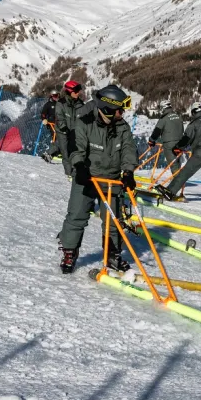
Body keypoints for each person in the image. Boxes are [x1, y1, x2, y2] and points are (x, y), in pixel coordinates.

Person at [57, 86, 139, 275]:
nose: (123, 113)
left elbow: (128, 149)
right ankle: (69, 252)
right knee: (77, 216)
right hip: (87, 177)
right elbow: (76, 147)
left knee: (113, 220)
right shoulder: (85, 123)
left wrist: (128, 172)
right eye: (120, 109)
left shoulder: (122, 127)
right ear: (108, 109)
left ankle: (112, 255)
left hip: (111, 179)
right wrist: (80, 166)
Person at [154, 101, 201, 209]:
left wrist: (177, 148)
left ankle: (170, 192)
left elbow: (186, 139)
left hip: (199, 152)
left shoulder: (194, 123)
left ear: (194, 111)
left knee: (185, 173)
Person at [55, 80, 87, 179]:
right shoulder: (61, 103)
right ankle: (69, 173)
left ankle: (76, 171)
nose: (78, 93)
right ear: (70, 92)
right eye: (76, 92)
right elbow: (59, 117)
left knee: (76, 151)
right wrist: (64, 128)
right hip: (63, 132)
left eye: (79, 91)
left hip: (75, 132)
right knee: (65, 152)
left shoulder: (80, 104)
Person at [148, 99, 184, 169]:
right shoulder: (178, 116)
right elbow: (182, 129)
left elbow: (157, 131)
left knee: (174, 165)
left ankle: (178, 179)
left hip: (169, 144)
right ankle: (180, 178)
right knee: (178, 163)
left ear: (163, 108)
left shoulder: (164, 119)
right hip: (180, 143)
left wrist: (151, 140)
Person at [40, 91, 61, 164]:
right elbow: (43, 114)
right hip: (51, 123)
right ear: (51, 96)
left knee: (61, 138)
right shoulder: (48, 104)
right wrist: (44, 119)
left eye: (58, 95)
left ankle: (55, 153)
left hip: (60, 124)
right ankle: (51, 153)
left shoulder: (60, 104)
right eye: (55, 95)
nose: (57, 97)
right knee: (56, 136)